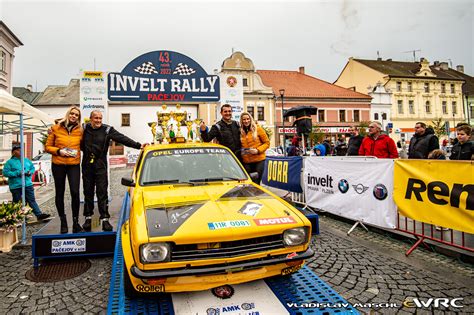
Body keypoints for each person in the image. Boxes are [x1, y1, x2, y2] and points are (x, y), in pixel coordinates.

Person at [82, 111, 147, 232]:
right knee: (88, 191)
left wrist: (138, 145)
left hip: (100, 165)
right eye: (95, 118)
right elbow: (68, 134)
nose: (98, 120)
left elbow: (122, 138)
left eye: (100, 118)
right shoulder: (83, 128)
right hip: (87, 165)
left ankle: (105, 219)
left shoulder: (107, 130)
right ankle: (88, 217)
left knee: (102, 191)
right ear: (90, 119)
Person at [45, 106, 83, 233]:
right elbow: (47, 147)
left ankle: (76, 222)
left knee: (75, 192)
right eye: (72, 114)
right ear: (68, 114)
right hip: (58, 165)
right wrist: (59, 151)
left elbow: (85, 145)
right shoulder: (55, 128)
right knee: (59, 193)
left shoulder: (80, 130)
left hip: (74, 165)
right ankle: (63, 221)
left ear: (78, 118)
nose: (73, 116)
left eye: (76, 115)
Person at [3, 145, 51, 221]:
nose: (21, 152)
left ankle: (39, 215)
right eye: (19, 150)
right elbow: (5, 173)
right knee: (17, 202)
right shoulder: (9, 162)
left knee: (31, 200)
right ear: (14, 152)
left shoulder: (26, 160)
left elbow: (32, 168)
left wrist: (30, 172)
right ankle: (17, 218)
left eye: (22, 150)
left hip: (27, 184)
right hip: (16, 186)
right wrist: (18, 173)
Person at [239, 112, 270, 184]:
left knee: (256, 182)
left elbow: (267, 143)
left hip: (259, 161)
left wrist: (257, 150)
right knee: (248, 182)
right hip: (246, 161)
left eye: (248, 119)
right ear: (241, 121)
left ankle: (256, 195)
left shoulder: (258, 129)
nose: (246, 121)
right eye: (244, 119)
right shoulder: (240, 131)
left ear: (250, 119)